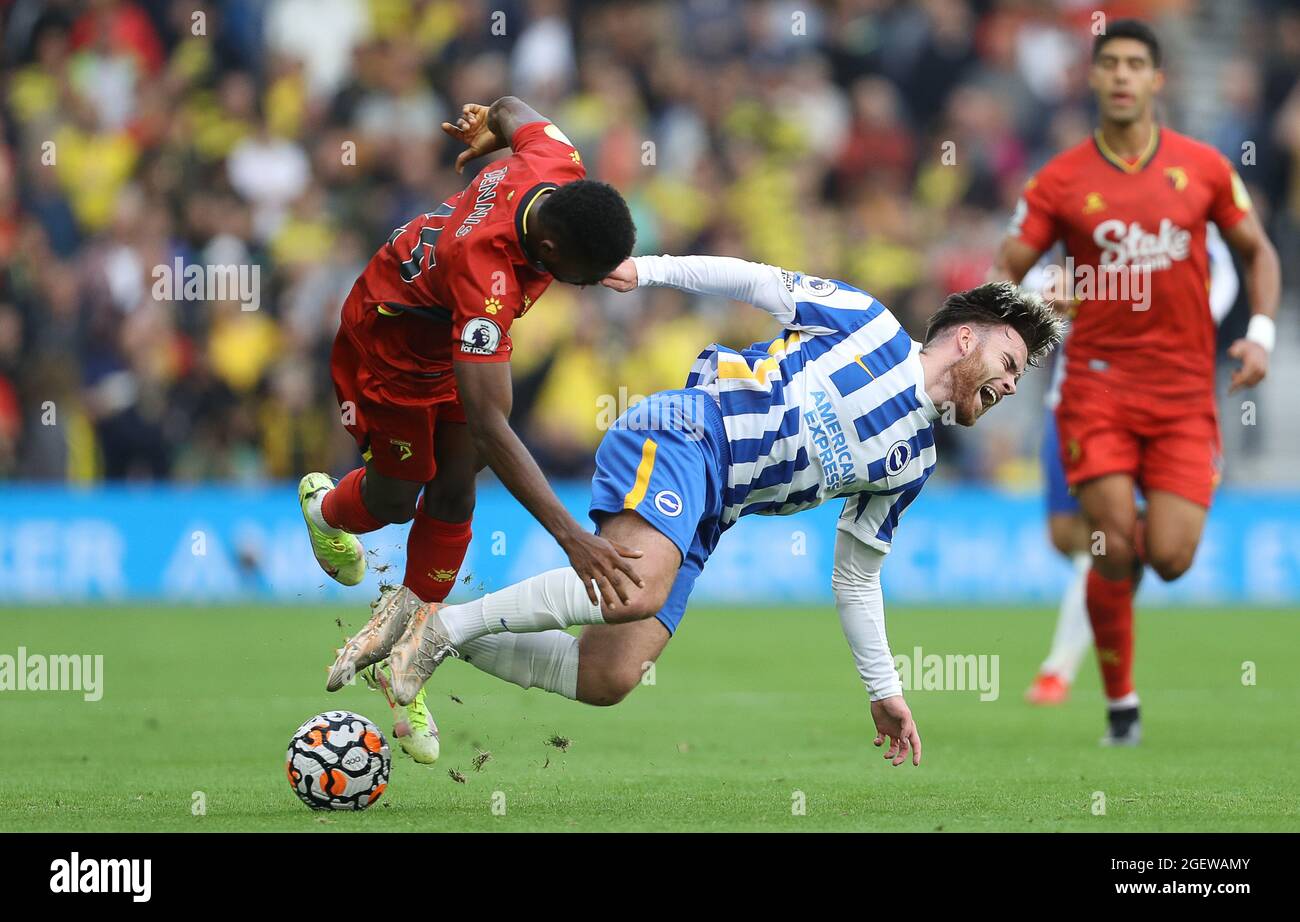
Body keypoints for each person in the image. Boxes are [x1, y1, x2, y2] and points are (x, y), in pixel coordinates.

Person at [325, 253, 1063, 767]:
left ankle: (429, 625)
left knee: (612, 675)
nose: (1005, 388)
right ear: (965, 338)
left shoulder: (915, 462)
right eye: (1005, 365)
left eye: (1017, 382)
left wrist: (886, 691)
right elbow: (755, 281)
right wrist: (647, 272)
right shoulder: (865, 324)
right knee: (636, 586)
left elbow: (856, 579)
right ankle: (439, 631)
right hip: (687, 431)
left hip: (715, 508)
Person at [297, 96, 638, 762]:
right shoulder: (487, 274)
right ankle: (323, 506)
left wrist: (489, 130)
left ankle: (406, 663)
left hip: (454, 339)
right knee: (402, 493)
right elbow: (491, 423)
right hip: (395, 339)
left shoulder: (556, 160)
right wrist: (573, 538)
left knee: (455, 490)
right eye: (585, 277)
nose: (590, 287)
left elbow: (513, 108)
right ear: (547, 249)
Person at [988, 20, 1279, 743]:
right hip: (1096, 388)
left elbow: (1257, 252)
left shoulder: (1205, 168)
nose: (1121, 75)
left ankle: (1104, 627)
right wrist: (1033, 304)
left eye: (1135, 65)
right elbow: (1004, 275)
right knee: (1108, 545)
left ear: (1158, 80)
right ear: (1093, 78)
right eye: (1109, 63)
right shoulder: (1059, 180)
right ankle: (1121, 705)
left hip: (1183, 392)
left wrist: (1261, 333)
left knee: (1172, 559)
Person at [1023, 228, 1240, 706]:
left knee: (1103, 538)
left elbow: (1223, 266)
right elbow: (1028, 267)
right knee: (1066, 537)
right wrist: (1045, 291)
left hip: (1152, 402)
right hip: (1075, 398)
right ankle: (1134, 543)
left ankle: (1058, 670)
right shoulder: (1075, 207)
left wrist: (1199, 313)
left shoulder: (1181, 211)